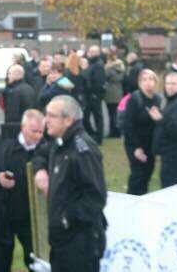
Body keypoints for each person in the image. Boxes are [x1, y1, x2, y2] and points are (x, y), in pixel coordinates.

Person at [34, 95, 107, 272]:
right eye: (46, 114)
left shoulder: (82, 150)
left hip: (79, 243)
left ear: (68, 120)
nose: (46, 120)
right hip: (61, 241)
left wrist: (66, 219)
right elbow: (41, 152)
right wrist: (40, 169)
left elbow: (96, 196)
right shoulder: (59, 142)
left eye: (52, 116)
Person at [0, 109, 46, 272]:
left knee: (36, 263)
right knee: (2, 263)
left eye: (41, 131)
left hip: (31, 218)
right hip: (3, 214)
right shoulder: (3, 141)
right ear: (23, 127)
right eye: (34, 131)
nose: (38, 136)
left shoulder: (46, 148)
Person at [150, 71, 177, 188]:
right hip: (170, 154)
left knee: (172, 188)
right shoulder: (173, 100)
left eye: (174, 84)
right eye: (168, 83)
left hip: (175, 156)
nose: (170, 87)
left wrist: (159, 119)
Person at [122, 69, 161, 195]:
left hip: (151, 144)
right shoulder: (135, 99)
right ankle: (132, 202)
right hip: (136, 144)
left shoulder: (157, 99)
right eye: (144, 80)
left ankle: (142, 200)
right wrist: (136, 148)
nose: (148, 83)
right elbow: (128, 125)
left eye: (151, 79)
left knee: (148, 173)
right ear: (139, 83)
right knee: (138, 176)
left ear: (156, 82)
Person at [85, 46, 106, 145]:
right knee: (88, 116)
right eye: (90, 51)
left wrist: (94, 93)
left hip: (94, 95)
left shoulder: (98, 65)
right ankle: (94, 135)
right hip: (91, 94)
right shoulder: (93, 64)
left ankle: (98, 137)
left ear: (96, 53)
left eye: (92, 52)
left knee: (97, 116)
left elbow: (98, 81)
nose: (90, 53)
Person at [104, 49, 125, 138]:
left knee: (111, 114)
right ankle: (118, 132)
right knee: (116, 113)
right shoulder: (121, 68)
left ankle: (113, 132)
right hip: (119, 92)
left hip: (110, 93)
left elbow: (105, 77)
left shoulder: (109, 69)